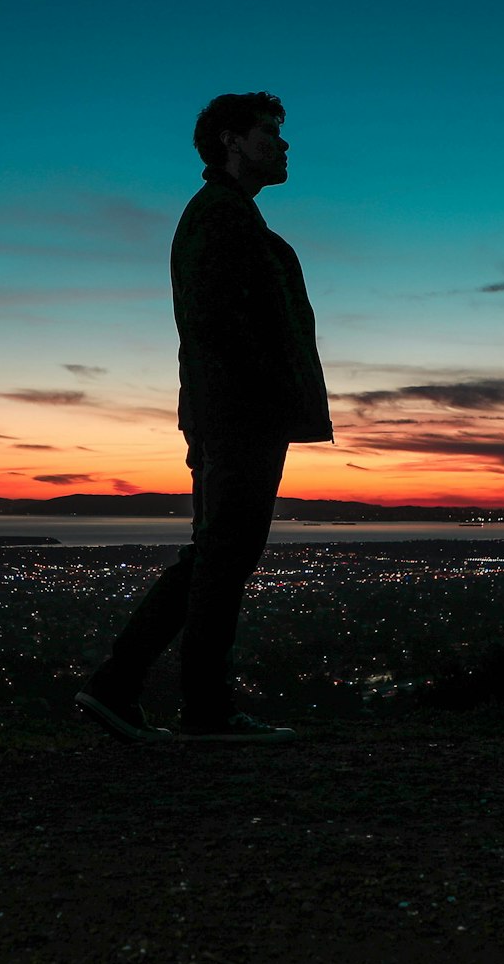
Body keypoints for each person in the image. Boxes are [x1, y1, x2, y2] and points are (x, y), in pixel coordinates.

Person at [76, 92, 332, 744]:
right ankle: (192, 708)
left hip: (230, 412)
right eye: (269, 132)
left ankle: (130, 688)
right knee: (223, 556)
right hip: (239, 414)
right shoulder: (222, 217)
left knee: (215, 555)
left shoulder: (226, 215)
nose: (284, 144)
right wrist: (263, 395)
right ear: (230, 141)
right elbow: (222, 326)